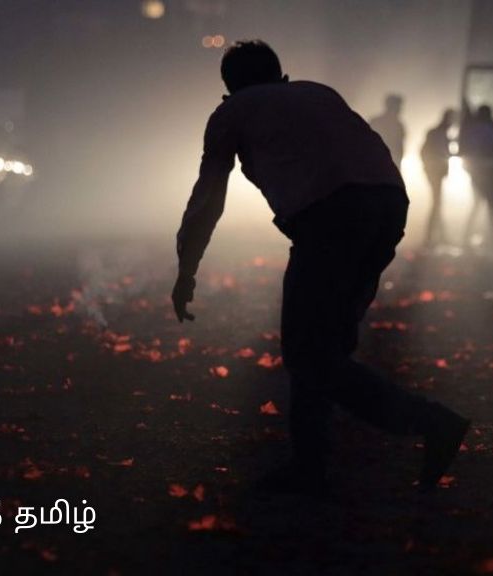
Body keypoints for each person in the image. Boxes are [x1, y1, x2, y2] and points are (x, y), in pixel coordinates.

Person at [172, 40, 469, 495]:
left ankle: (428, 422)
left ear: (228, 90)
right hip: (388, 204)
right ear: (282, 76)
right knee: (326, 344)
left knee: (307, 353)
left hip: (330, 216)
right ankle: (311, 465)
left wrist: (186, 268)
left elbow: (208, 198)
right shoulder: (318, 92)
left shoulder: (232, 113)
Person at [459, 104, 493, 249]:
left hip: (476, 172)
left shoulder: (473, 131)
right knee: (491, 205)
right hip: (489, 172)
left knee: (477, 204)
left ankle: (466, 236)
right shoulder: (491, 131)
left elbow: (467, 151)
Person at [420, 109, 455, 247]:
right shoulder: (437, 133)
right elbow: (425, 151)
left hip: (435, 172)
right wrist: (430, 167)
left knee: (437, 203)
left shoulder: (439, 133)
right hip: (434, 172)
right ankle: (430, 237)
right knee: (436, 203)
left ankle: (437, 236)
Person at [369, 94, 406, 165]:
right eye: (398, 106)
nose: (400, 109)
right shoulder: (376, 122)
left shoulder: (399, 125)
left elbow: (399, 146)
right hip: (377, 161)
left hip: (392, 163)